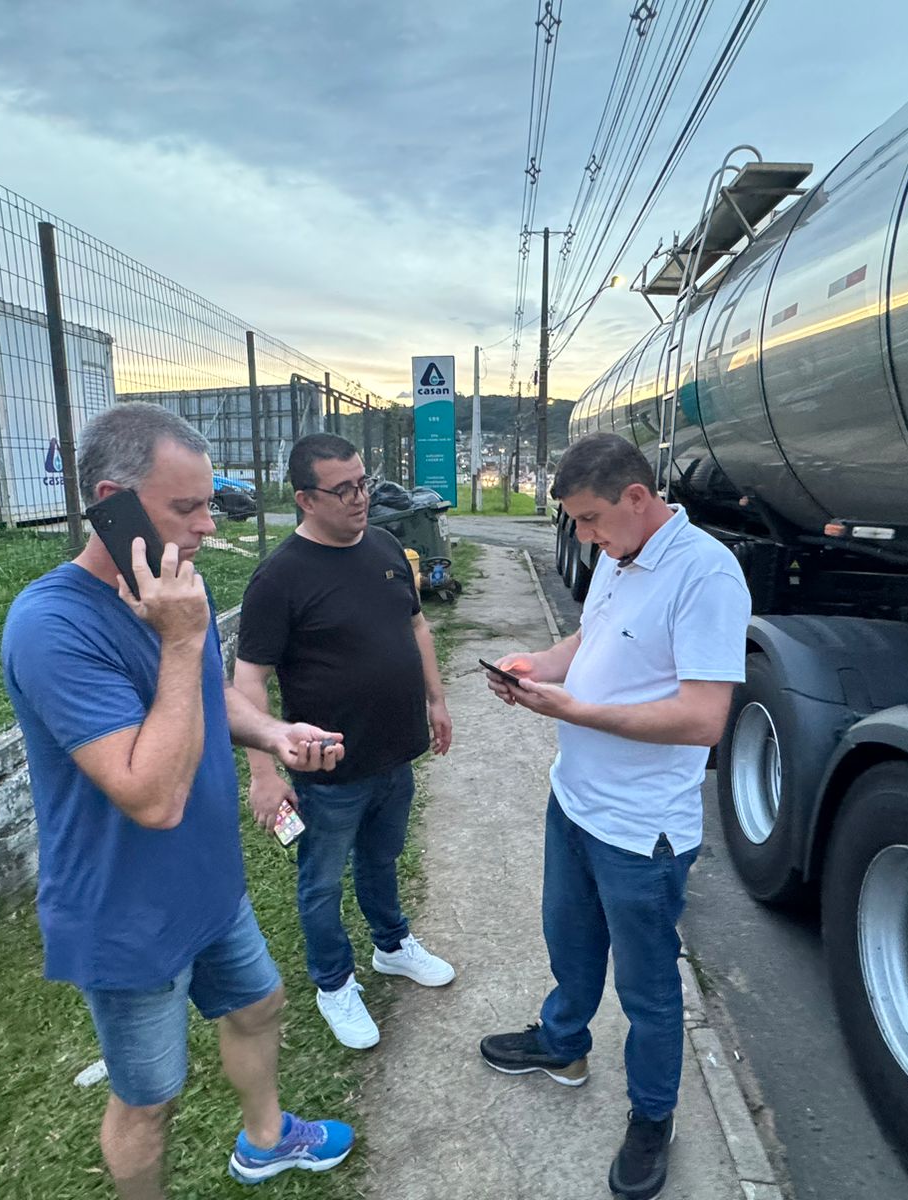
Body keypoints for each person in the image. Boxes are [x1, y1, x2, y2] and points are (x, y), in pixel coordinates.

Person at [0, 404, 354, 1198]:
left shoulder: (169, 588)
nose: (206, 526)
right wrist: (184, 636)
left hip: (207, 882)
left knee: (260, 1005)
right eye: (186, 507)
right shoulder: (52, 625)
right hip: (125, 911)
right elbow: (152, 798)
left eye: (209, 504)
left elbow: (203, 696)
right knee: (149, 1099)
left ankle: (266, 1139)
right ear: (112, 502)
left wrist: (273, 732)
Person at [477, 432, 750, 1200]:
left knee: (648, 989)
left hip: (641, 831)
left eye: (592, 518)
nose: (586, 536)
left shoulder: (706, 575)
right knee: (568, 943)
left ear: (637, 496)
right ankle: (564, 1043)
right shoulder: (618, 554)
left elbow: (702, 719)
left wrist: (576, 710)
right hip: (575, 801)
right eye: (577, 523)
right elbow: (591, 637)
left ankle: (653, 1117)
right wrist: (537, 668)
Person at [233, 433, 455, 1050]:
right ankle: (333, 983)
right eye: (344, 490)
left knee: (382, 859)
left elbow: (416, 625)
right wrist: (263, 773)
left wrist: (436, 699)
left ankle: (392, 945)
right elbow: (249, 679)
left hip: (395, 753)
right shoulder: (279, 577)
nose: (361, 498)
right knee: (323, 881)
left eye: (364, 482)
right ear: (305, 499)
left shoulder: (384, 546)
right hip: (328, 770)